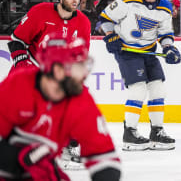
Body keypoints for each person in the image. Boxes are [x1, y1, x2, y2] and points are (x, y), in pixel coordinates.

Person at [0, 33, 121, 181]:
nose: (84, 74)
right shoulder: (17, 86)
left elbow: (104, 156)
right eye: (78, 67)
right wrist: (20, 158)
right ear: (57, 70)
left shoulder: (81, 99)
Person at [99, 0, 180, 151]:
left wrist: (169, 48)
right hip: (127, 50)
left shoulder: (165, 6)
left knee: (158, 88)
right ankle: (130, 133)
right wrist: (111, 36)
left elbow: (165, 33)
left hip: (149, 52)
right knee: (138, 89)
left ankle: (157, 131)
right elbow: (105, 18)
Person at [8, 0, 91, 72]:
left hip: (57, 76)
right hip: (31, 66)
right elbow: (17, 41)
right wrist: (23, 65)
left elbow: (82, 54)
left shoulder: (84, 22)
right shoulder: (40, 11)